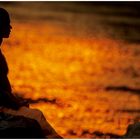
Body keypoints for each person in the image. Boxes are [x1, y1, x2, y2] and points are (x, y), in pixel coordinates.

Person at [0, 8, 62, 139]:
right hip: (2, 107)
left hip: (6, 103)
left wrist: (15, 100)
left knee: (37, 116)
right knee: (37, 116)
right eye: (6, 24)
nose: (10, 27)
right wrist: (15, 103)